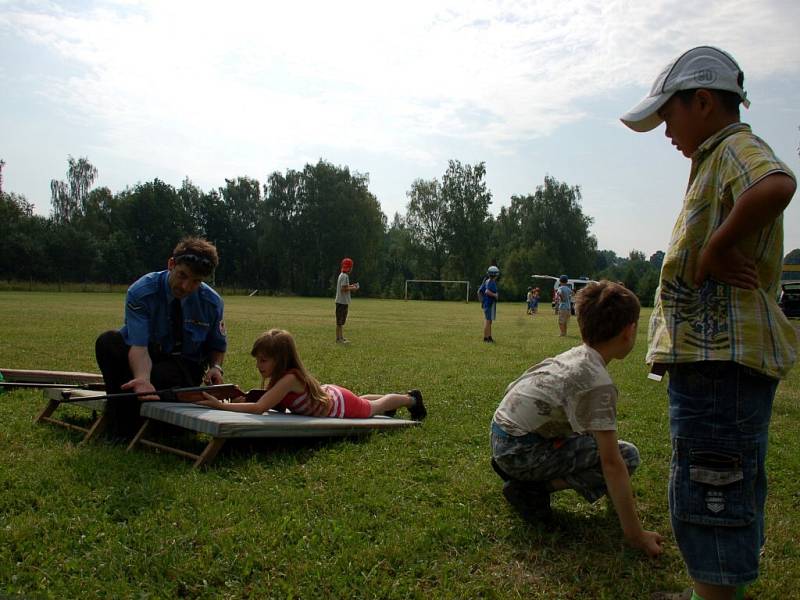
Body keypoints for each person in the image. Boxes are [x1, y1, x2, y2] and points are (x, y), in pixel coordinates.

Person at [621, 46, 797, 600]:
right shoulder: (712, 158)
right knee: (708, 485)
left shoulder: (734, 147)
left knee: (714, 492)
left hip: (723, 364)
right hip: (710, 365)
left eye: (668, 116)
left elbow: (776, 184)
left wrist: (717, 247)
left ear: (703, 101)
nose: (666, 131)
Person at [490, 281, 663, 559]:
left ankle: (521, 475)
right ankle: (532, 489)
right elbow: (611, 463)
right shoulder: (597, 382)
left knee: (596, 444)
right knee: (627, 455)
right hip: (521, 449)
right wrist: (636, 535)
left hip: (503, 436)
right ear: (629, 331)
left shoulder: (575, 356)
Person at [95, 237, 227, 437]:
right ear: (171, 264)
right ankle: (122, 421)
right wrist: (142, 379)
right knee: (108, 342)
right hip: (146, 356)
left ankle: (141, 424)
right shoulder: (141, 292)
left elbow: (217, 344)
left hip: (183, 366)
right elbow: (138, 346)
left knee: (162, 375)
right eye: (182, 275)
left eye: (196, 281)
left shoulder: (212, 302)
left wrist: (215, 367)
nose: (186, 286)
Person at [197, 329, 427, 421]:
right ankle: (395, 402)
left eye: (264, 360)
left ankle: (411, 399)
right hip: (333, 396)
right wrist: (242, 400)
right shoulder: (282, 378)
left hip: (339, 406)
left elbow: (259, 408)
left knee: (371, 408)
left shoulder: (288, 379)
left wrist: (222, 406)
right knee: (363, 399)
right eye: (258, 359)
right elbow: (269, 404)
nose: (259, 365)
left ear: (281, 359)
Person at [335, 257, 358, 344]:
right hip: (342, 302)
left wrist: (351, 286)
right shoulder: (345, 276)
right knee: (339, 322)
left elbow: (345, 287)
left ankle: (341, 337)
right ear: (349, 267)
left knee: (341, 321)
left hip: (342, 302)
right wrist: (353, 288)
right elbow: (343, 288)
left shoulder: (342, 275)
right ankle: (338, 339)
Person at [478, 265, 500, 342]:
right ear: (495, 274)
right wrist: (495, 295)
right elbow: (487, 291)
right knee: (487, 321)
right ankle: (485, 338)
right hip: (488, 304)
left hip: (488, 304)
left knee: (489, 321)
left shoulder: (488, 281)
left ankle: (489, 336)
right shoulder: (491, 281)